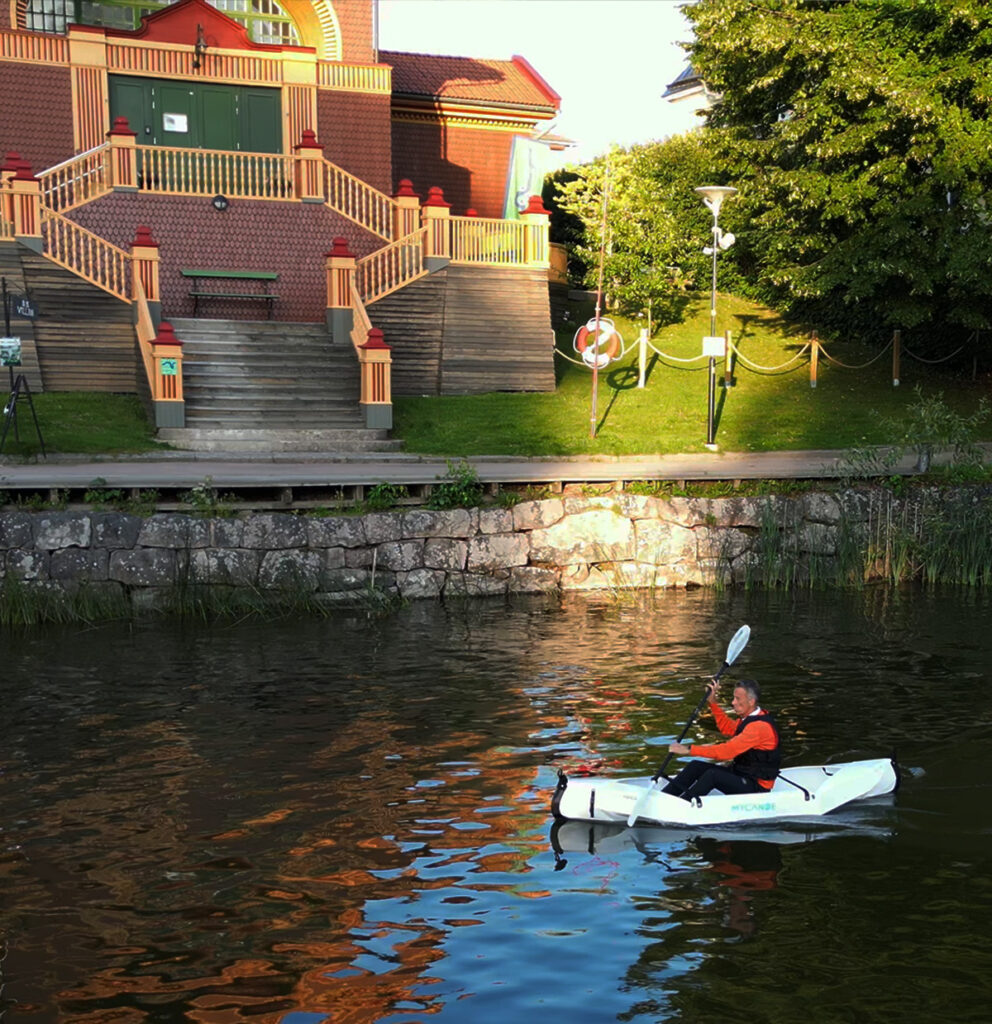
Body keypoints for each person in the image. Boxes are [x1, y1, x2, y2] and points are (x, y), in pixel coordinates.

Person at [659, 678, 780, 801]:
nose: (733, 702)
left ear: (751, 701)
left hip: (756, 786)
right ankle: (663, 798)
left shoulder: (759, 727)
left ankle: (684, 805)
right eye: (734, 698)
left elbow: (726, 752)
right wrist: (712, 702)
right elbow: (727, 728)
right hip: (741, 773)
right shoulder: (748, 719)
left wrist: (689, 749)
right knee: (695, 766)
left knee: (713, 776)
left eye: (738, 699)